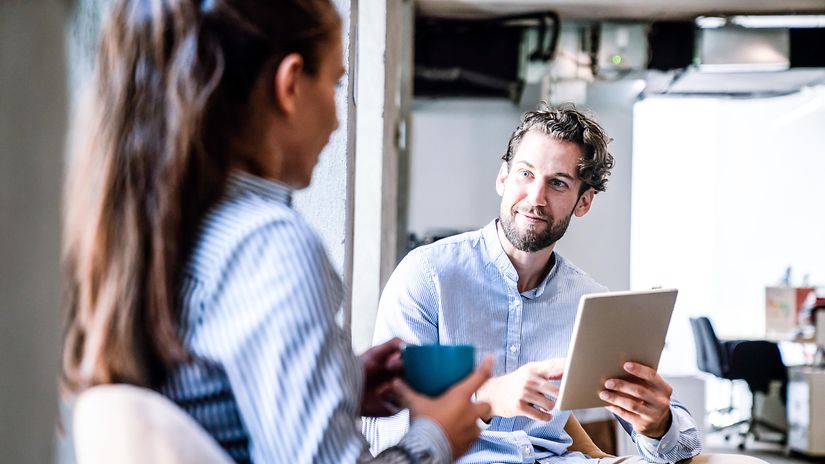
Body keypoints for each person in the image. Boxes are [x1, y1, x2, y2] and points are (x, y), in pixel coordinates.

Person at [60, 1, 492, 463]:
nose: (336, 119)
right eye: (335, 82)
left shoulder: (157, 234)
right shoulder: (270, 248)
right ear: (289, 84)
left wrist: (342, 382)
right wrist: (438, 437)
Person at [364, 105, 703, 463]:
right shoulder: (429, 276)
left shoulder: (592, 303)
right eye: (526, 174)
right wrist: (488, 398)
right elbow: (389, 426)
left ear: (583, 202)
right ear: (503, 178)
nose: (535, 198)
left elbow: (683, 448)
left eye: (558, 183)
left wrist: (659, 424)